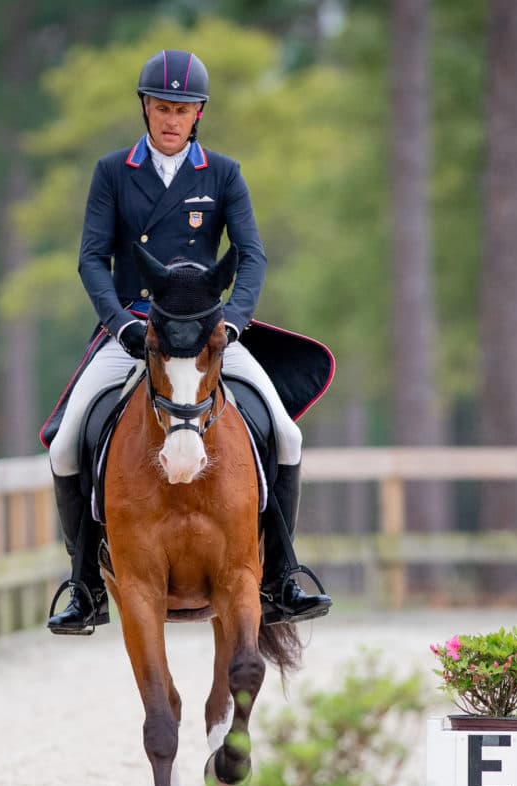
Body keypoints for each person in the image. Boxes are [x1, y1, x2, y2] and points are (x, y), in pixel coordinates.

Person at [43, 48, 331, 635]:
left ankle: (281, 572)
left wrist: (236, 320)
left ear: (197, 113)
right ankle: (84, 585)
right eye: (161, 108)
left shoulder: (222, 172)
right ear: (145, 109)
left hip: (207, 334)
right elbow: (91, 259)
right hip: (136, 330)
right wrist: (119, 321)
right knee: (65, 445)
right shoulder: (112, 172)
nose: (171, 119)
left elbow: (251, 255)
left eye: (183, 109)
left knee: (287, 432)